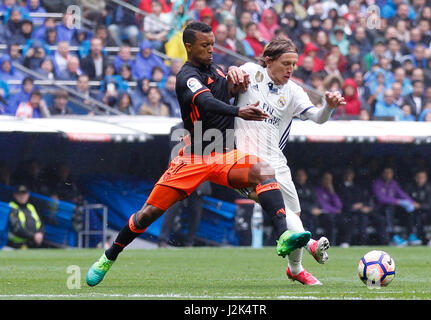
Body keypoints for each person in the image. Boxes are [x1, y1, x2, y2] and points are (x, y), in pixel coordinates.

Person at [86, 22, 312, 287]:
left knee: (263, 170)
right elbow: (205, 102)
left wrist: (236, 76)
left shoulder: (216, 69)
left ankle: (283, 234)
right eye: (205, 46)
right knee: (147, 214)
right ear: (189, 46)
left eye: (212, 44)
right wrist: (239, 112)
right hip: (193, 158)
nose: (210, 50)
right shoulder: (186, 77)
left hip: (225, 153)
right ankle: (109, 256)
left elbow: (230, 88)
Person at [232, 38, 346, 285]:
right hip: (246, 162)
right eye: (286, 63)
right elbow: (229, 81)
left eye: (294, 64)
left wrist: (328, 106)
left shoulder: (294, 91)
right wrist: (231, 72)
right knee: (282, 212)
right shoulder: (251, 72)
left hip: (277, 162)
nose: (291, 69)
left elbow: (317, 118)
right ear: (268, 61)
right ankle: (312, 243)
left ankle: (295, 269)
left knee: (294, 215)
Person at [372, 166, 418, 246]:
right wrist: (397, 201)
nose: (388, 175)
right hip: (379, 210)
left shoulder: (393, 183)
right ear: (382, 174)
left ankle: (411, 234)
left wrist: (411, 202)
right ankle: (392, 235)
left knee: (409, 210)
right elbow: (381, 199)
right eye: (386, 173)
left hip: (393, 209)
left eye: (390, 173)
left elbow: (401, 194)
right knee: (389, 208)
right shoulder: (377, 184)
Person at [336, 167, 372, 247]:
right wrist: (351, 206)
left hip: (358, 211)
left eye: (350, 174)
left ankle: (363, 242)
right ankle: (346, 241)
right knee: (351, 220)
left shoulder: (357, 187)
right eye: (347, 174)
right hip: (346, 212)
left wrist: (363, 205)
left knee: (364, 218)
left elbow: (363, 199)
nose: (349, 176)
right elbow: (339, 202)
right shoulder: (340, 187)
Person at [7, 185, 45, 249]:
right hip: (14, 245)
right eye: (19, 194)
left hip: (32, 243)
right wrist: (33, 236)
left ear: (28, 195)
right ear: (15, 195)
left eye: (24, 194)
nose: (22, 196)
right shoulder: (11, 207)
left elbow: (40, 222)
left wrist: (40, 233)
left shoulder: (31, 207)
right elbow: (16, 228)